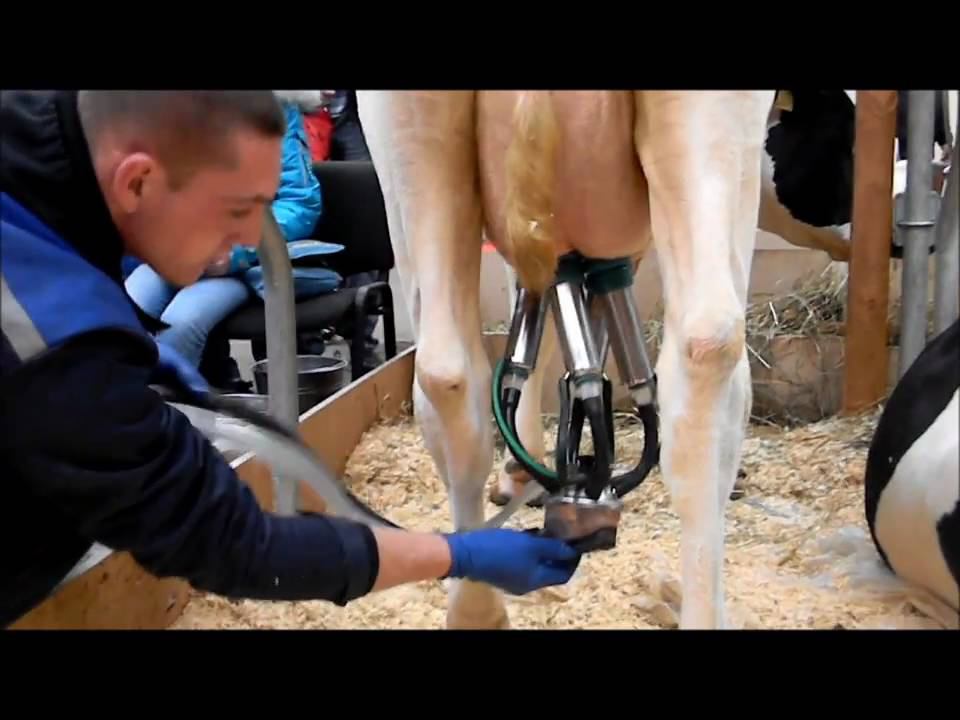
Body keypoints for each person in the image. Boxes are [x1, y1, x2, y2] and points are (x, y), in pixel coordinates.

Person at [0, 90, 582, 628]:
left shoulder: (37, 143)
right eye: (238, 209)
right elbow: (228, 541)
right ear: (137, 182)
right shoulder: (59, 347)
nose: (253, 238)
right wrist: (457, 555)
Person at [123, 92, 325, 370]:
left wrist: (235, 252)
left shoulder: (273, 108)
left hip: (247, 260)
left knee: (180, 324)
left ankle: (176, 396)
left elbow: (300, 202)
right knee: (123, 315)